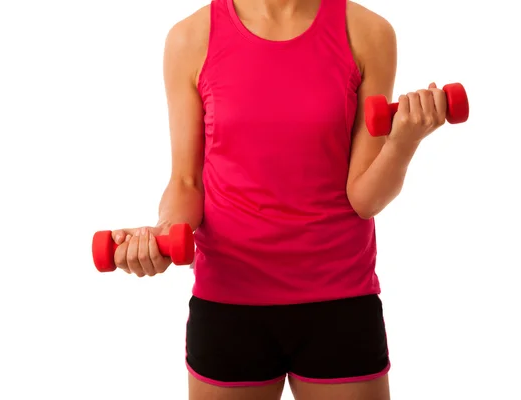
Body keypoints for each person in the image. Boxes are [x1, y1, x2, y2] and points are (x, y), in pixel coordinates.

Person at [111, 0, 448, 398]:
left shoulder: (368, 32)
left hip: (339, 299)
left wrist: (403, 142)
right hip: (230, 301)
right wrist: (166, 233)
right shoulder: (190, 37)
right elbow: (187, 180)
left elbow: (364, 197)